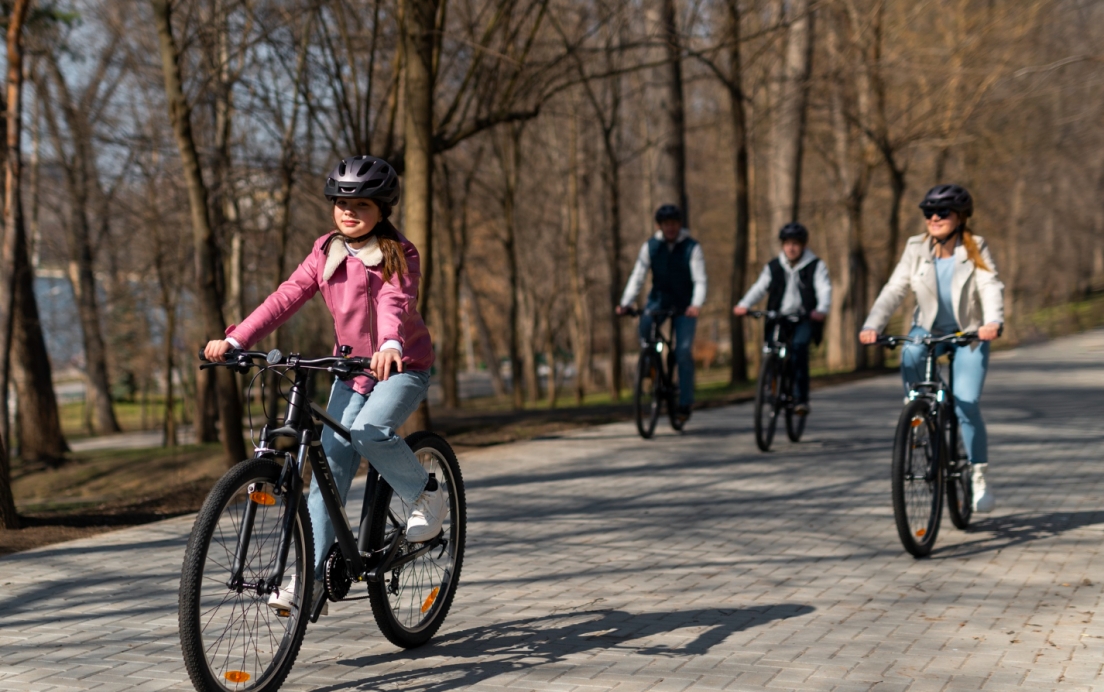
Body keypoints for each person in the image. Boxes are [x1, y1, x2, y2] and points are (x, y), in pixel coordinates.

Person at [203, 155, 440, 615]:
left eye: (363, 206)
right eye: (341, 204)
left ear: (382, 210)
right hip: (348, 370)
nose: (349, 213)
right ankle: (309, 581)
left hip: (402, 366)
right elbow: (286, 296)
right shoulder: (325, 252)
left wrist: (390, 342)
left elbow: (396, 298)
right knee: (325, 476)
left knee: (369, 433)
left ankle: (425, 493)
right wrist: (236, 338)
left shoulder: (399, 253)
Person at [859, 184, 1003, 513]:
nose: (934, 218)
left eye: (942, 212)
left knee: (966, 402)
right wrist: (872, 325)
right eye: (928, 213)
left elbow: (990, 285)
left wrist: (992, 321)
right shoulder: (915, 248)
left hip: (970, 333)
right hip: (928, 330)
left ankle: (977, 476)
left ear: (961, 217)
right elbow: (894, 288)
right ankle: (919, 415)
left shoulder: (975, 247)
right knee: (909, 351)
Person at [616, 204, 707, 422]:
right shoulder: (651, 247)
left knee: (683, 351)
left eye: (674, 224)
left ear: (679, 224)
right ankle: (651, 365)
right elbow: (637, 275)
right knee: (645, 327)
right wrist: (626, 303)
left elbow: (700, 280)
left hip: (685, 305)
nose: (671, 228)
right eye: (666, 224)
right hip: (659, 301)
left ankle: (684, 403)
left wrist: (696, 304)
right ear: (660, 226)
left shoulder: (691, 247)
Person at [733, 222, 831, 415]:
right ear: (782, 245)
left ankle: (800, 398)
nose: (791, 248)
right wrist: (744, 304)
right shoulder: (773, 266)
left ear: (803, 245)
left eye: (795, 243)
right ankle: (771, 386)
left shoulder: (815, 266)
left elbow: (824, 288)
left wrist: (821, 309)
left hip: (803, 317)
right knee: (770, 349)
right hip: (778, 317)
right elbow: (759, 288)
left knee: (799, 348)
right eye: (787, 243)